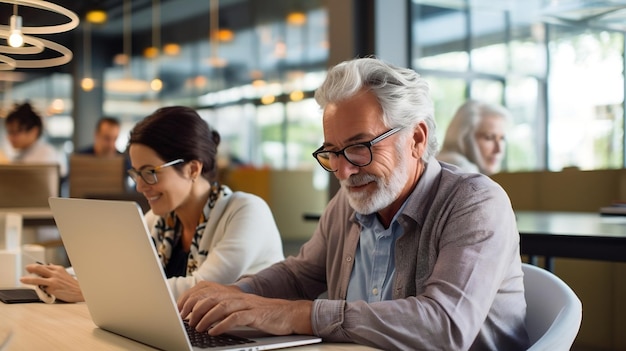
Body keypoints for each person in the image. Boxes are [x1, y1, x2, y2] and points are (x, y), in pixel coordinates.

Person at [177, 57, 529, 350]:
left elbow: (445, 327)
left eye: (360, 147)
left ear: (417, 139)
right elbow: (299, 276)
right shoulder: (348, 206)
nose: (343, 170)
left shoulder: (474, 202)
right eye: (331, 152)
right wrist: (235, 296)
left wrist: (295, 314)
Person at [21, 106, 285, 302]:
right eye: (135, 173)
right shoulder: (162, 221)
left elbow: (202, 288)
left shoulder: (246, 212)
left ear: (192, 169)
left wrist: (88, 292)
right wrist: (56, 277)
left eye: (150, 172)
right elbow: (111, 267)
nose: (139, 186)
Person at [437, 99, 511, 175]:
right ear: (464, 138)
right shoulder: (462, 169)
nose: (499, 150)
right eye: (489, 138)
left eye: (502, 138)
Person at [4, 102, 67, 177]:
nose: (9, 137)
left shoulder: (46, 157)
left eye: (15, 132)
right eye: (9, 132)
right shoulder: (22, 154)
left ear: (34, 131)